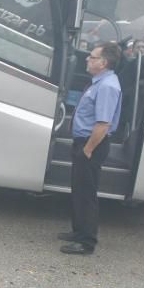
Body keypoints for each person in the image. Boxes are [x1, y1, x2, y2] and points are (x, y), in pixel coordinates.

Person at [59, 41, 123, 255]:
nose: (87, 59)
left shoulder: (107, 87)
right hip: (85, 142)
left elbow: (103, 124)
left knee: (86, 193)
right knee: (79, 190)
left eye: (92, 57)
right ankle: (78, 232)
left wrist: (87, 150)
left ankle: (86, 241)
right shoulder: (99, 83)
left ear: (103, 62)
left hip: (91, 144)